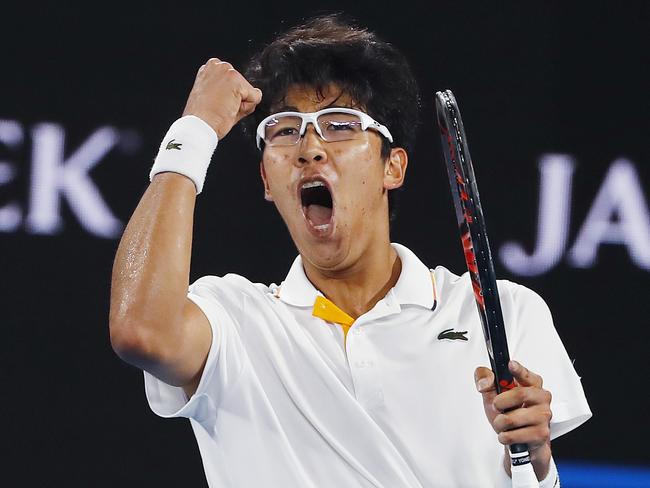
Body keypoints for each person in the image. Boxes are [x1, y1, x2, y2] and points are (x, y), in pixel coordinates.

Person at [109, 15, 591, 488]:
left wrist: (537, 461)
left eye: (339, 125)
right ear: (266, 182)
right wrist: (194, 130)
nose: (310, 148)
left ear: (393, 167)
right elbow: (140, 329)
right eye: (284, 129)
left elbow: (531, 478)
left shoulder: (504, 313)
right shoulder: (234, 323)